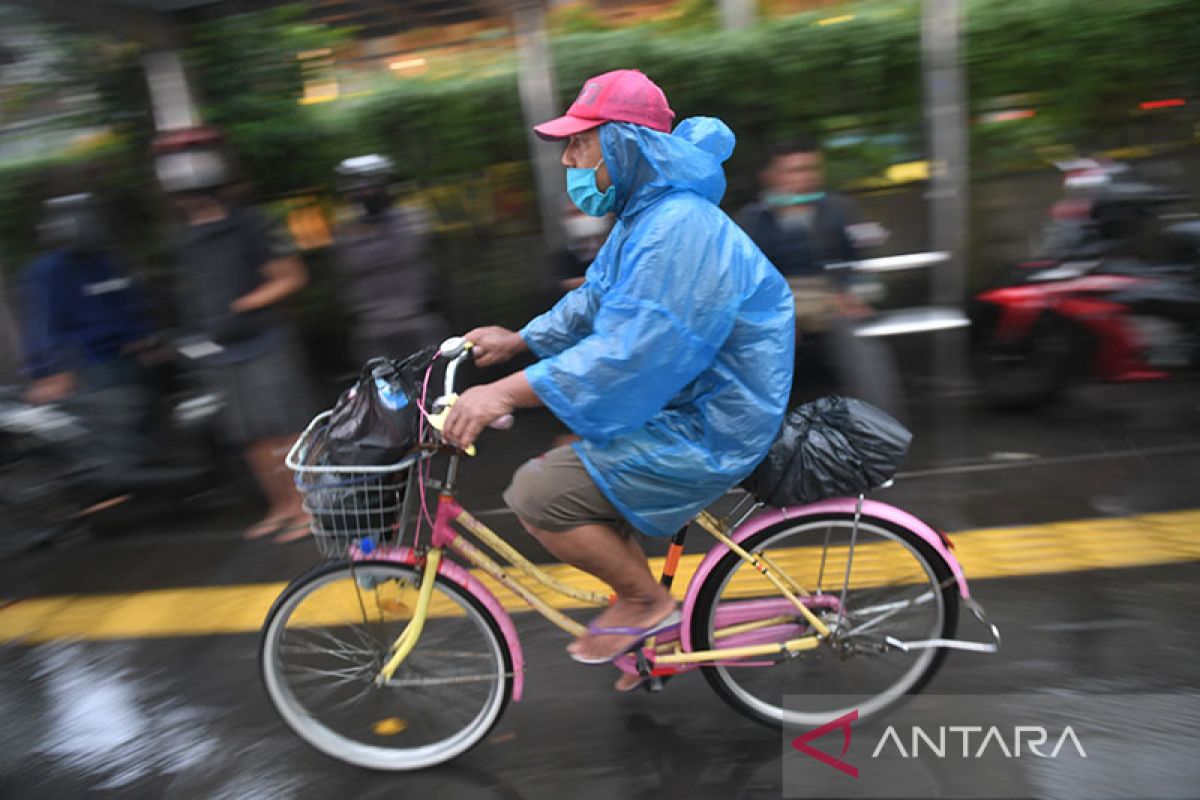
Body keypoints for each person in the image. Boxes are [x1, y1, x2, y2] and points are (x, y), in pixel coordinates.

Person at [443, 70, 794, 679]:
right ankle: (639, 614)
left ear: (627, 144)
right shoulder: (647, 217)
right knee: (567, 460)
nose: (569, 160)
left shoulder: (676, 227)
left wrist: (502, 391)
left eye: (581, 143)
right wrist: (520, 339)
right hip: (692, 403)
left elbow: (626, 353)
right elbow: (592, 302)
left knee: (538, 493)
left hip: (711, 422)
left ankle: (644, 600)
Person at [156, 128, 315, 543]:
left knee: (285, 429)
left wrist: (242, 307)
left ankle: (307, 507)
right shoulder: (185, 239)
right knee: (251, 436)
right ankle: (280, 508)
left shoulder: (251, 224)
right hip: (221, 351)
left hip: (264, 342)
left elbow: (291, 277)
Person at [736, 138, 901, 417]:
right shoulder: (751, 221)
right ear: (769, 177)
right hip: (778, 304)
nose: (805, 179)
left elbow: (862, 262)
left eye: (810, 169)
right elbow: (742, 278)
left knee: (866, 354)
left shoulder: (839, 211)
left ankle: (883, 433)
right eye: (793, 171)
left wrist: (854, 293)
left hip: (831, 300)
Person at [20, 193, 157, 468]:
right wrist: (49, 372)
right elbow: (44, 323)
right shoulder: (49, 271)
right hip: (90, 365)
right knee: (114, 434)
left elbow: (129, 302)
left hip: (126, 359)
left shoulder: (107, 261)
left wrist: (143, 338)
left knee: (139, 423)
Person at [332, 155, 448, 362]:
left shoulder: (413, 219)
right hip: (373, 328)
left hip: (418, 321)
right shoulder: (345, 232)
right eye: (357, 187)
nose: (365, 192)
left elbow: (415, 256)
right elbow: (351, 267)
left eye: (371, 185)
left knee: (434, 385)